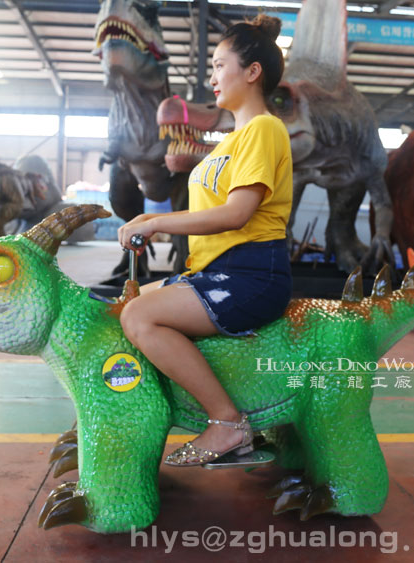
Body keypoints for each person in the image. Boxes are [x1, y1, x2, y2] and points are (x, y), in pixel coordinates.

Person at [117, 14, 292, 466]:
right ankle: (131, 416)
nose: (211, 77)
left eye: (218, 65)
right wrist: (147, 218)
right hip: (215, 271)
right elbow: (202, 212)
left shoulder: (264, 129)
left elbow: (237, 214)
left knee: (140, 317)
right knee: (121, 307)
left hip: (251, 273)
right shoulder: (230, 141)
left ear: (252, 72)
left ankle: (227, 422)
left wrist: (154, 224)